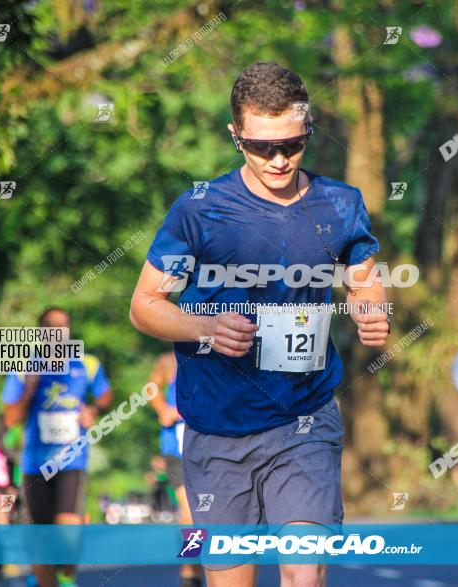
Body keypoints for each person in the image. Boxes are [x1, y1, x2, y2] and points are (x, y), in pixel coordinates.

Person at [129, 61, 389, 587]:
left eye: (292, 145)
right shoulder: (200, 211)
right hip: (217, 428)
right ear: (236, 136)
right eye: (261, 146)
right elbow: (145, 305)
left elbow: (364, 278)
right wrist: (205, 329)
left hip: (304, 418)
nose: (278, 159)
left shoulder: (340, 204)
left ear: (309, 130)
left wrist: (370, 306)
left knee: (303, 573)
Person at [2, 307, 113, 587]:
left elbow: (105, 395)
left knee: (67, 531)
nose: (58, 333)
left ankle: (65, 573)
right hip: (35, 462)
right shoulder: (24, 368)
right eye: (52, 327)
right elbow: (11, 418)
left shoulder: (86, 364)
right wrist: (29, 389)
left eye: (63, 326)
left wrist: (94, 410)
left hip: (71, 460)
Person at [148, 351, 202, 587]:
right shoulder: (169, 360)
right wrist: (162, 409)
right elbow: (150, 389)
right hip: (177, 448)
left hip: (214, 445)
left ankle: (219, 569)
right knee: (190, 508)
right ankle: (190, 573)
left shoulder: (221, 353)